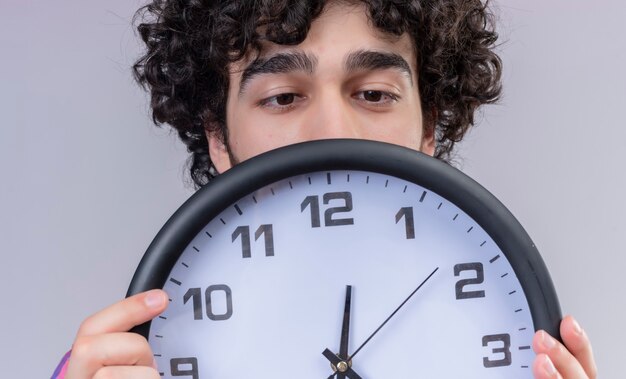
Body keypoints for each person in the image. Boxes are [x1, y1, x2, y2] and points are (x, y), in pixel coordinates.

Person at [51, 1, 597, 378]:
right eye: (284, 98)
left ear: (429, 125)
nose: (332, 130)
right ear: (218, 137)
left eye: (375, 94)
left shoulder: (494, 324)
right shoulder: (116, 363)